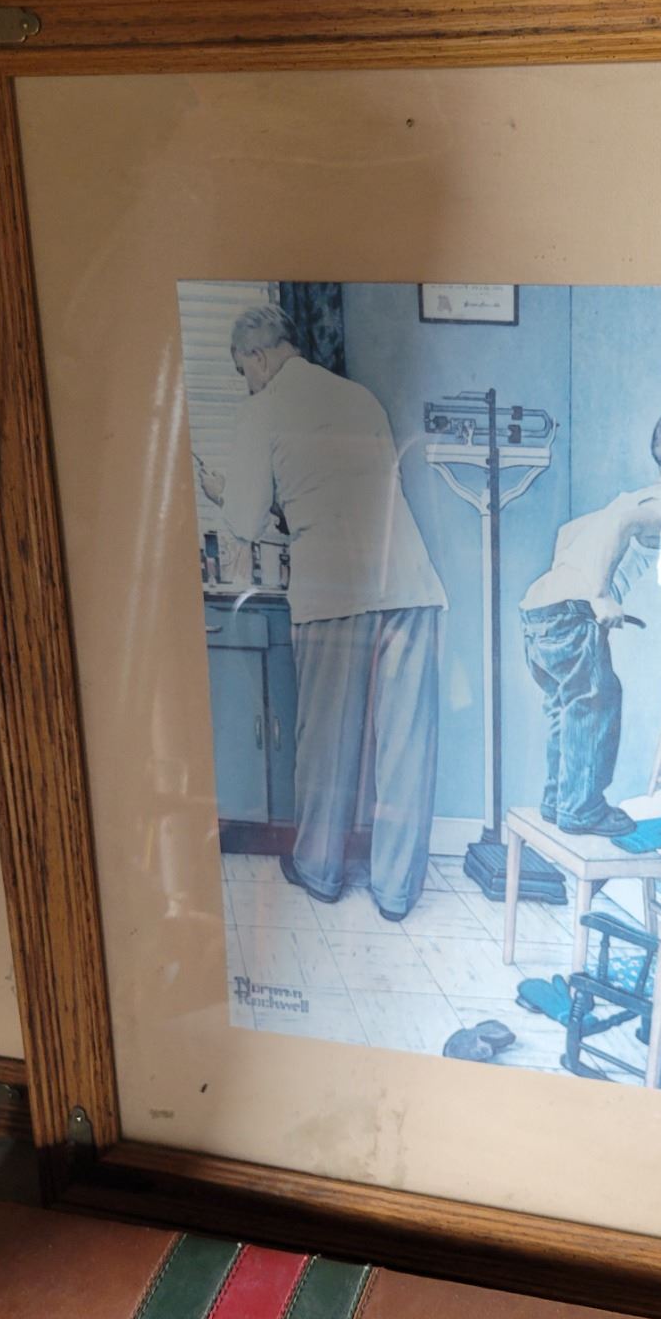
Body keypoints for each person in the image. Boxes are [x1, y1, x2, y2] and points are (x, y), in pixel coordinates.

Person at [199, 304, 446, 920]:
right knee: (405, 749)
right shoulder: (359, 397)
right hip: (411, 586)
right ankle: (396, 892)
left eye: (242, 371)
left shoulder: (262, 409)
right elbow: (346, 494)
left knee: (325, 748)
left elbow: (244, 522)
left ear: (258, 358)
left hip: (335, 593)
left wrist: (220, 490)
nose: (245, 384)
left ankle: (318, 869)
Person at [519, 405, 661, 838]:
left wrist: (571, 579)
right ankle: (582, 810)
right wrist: (599, 594)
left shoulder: (639, 496)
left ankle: (558, 800)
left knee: (568, 704)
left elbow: (568, 532)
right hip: (573, 613)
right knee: (597, 702)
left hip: (539, 611)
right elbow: (620, 525)